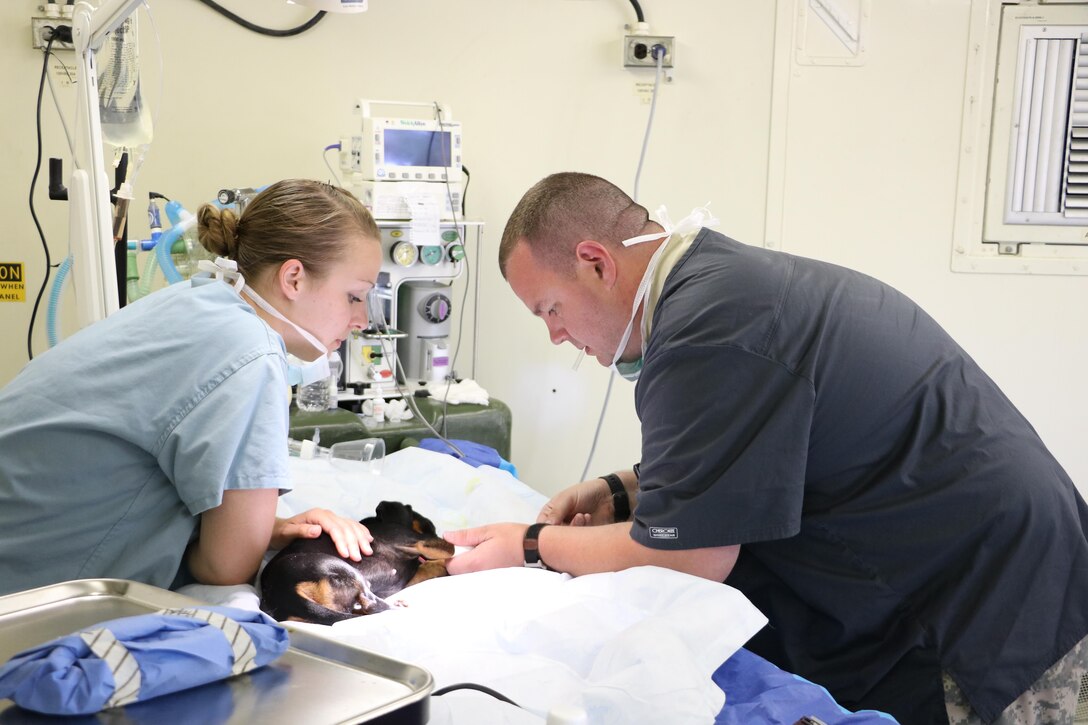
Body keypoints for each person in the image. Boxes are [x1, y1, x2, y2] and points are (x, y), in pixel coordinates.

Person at [444, 172, 1088, 724]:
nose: (556, 336)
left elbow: (692, 556)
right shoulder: (719, 286)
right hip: (1003, 545)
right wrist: (618, 489)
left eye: (550, 309)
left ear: (596, 262)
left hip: (987, 596)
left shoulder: (707, 330)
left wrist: (528, 546)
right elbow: (755, 439)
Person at [0, 179, 381, 598]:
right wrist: (248, 539)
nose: (362, 320)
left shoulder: (194, 301)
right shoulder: (251, 352)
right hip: (24, 598)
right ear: (293, 278)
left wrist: (267, 530)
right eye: (354, 297)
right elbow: (225, 568)